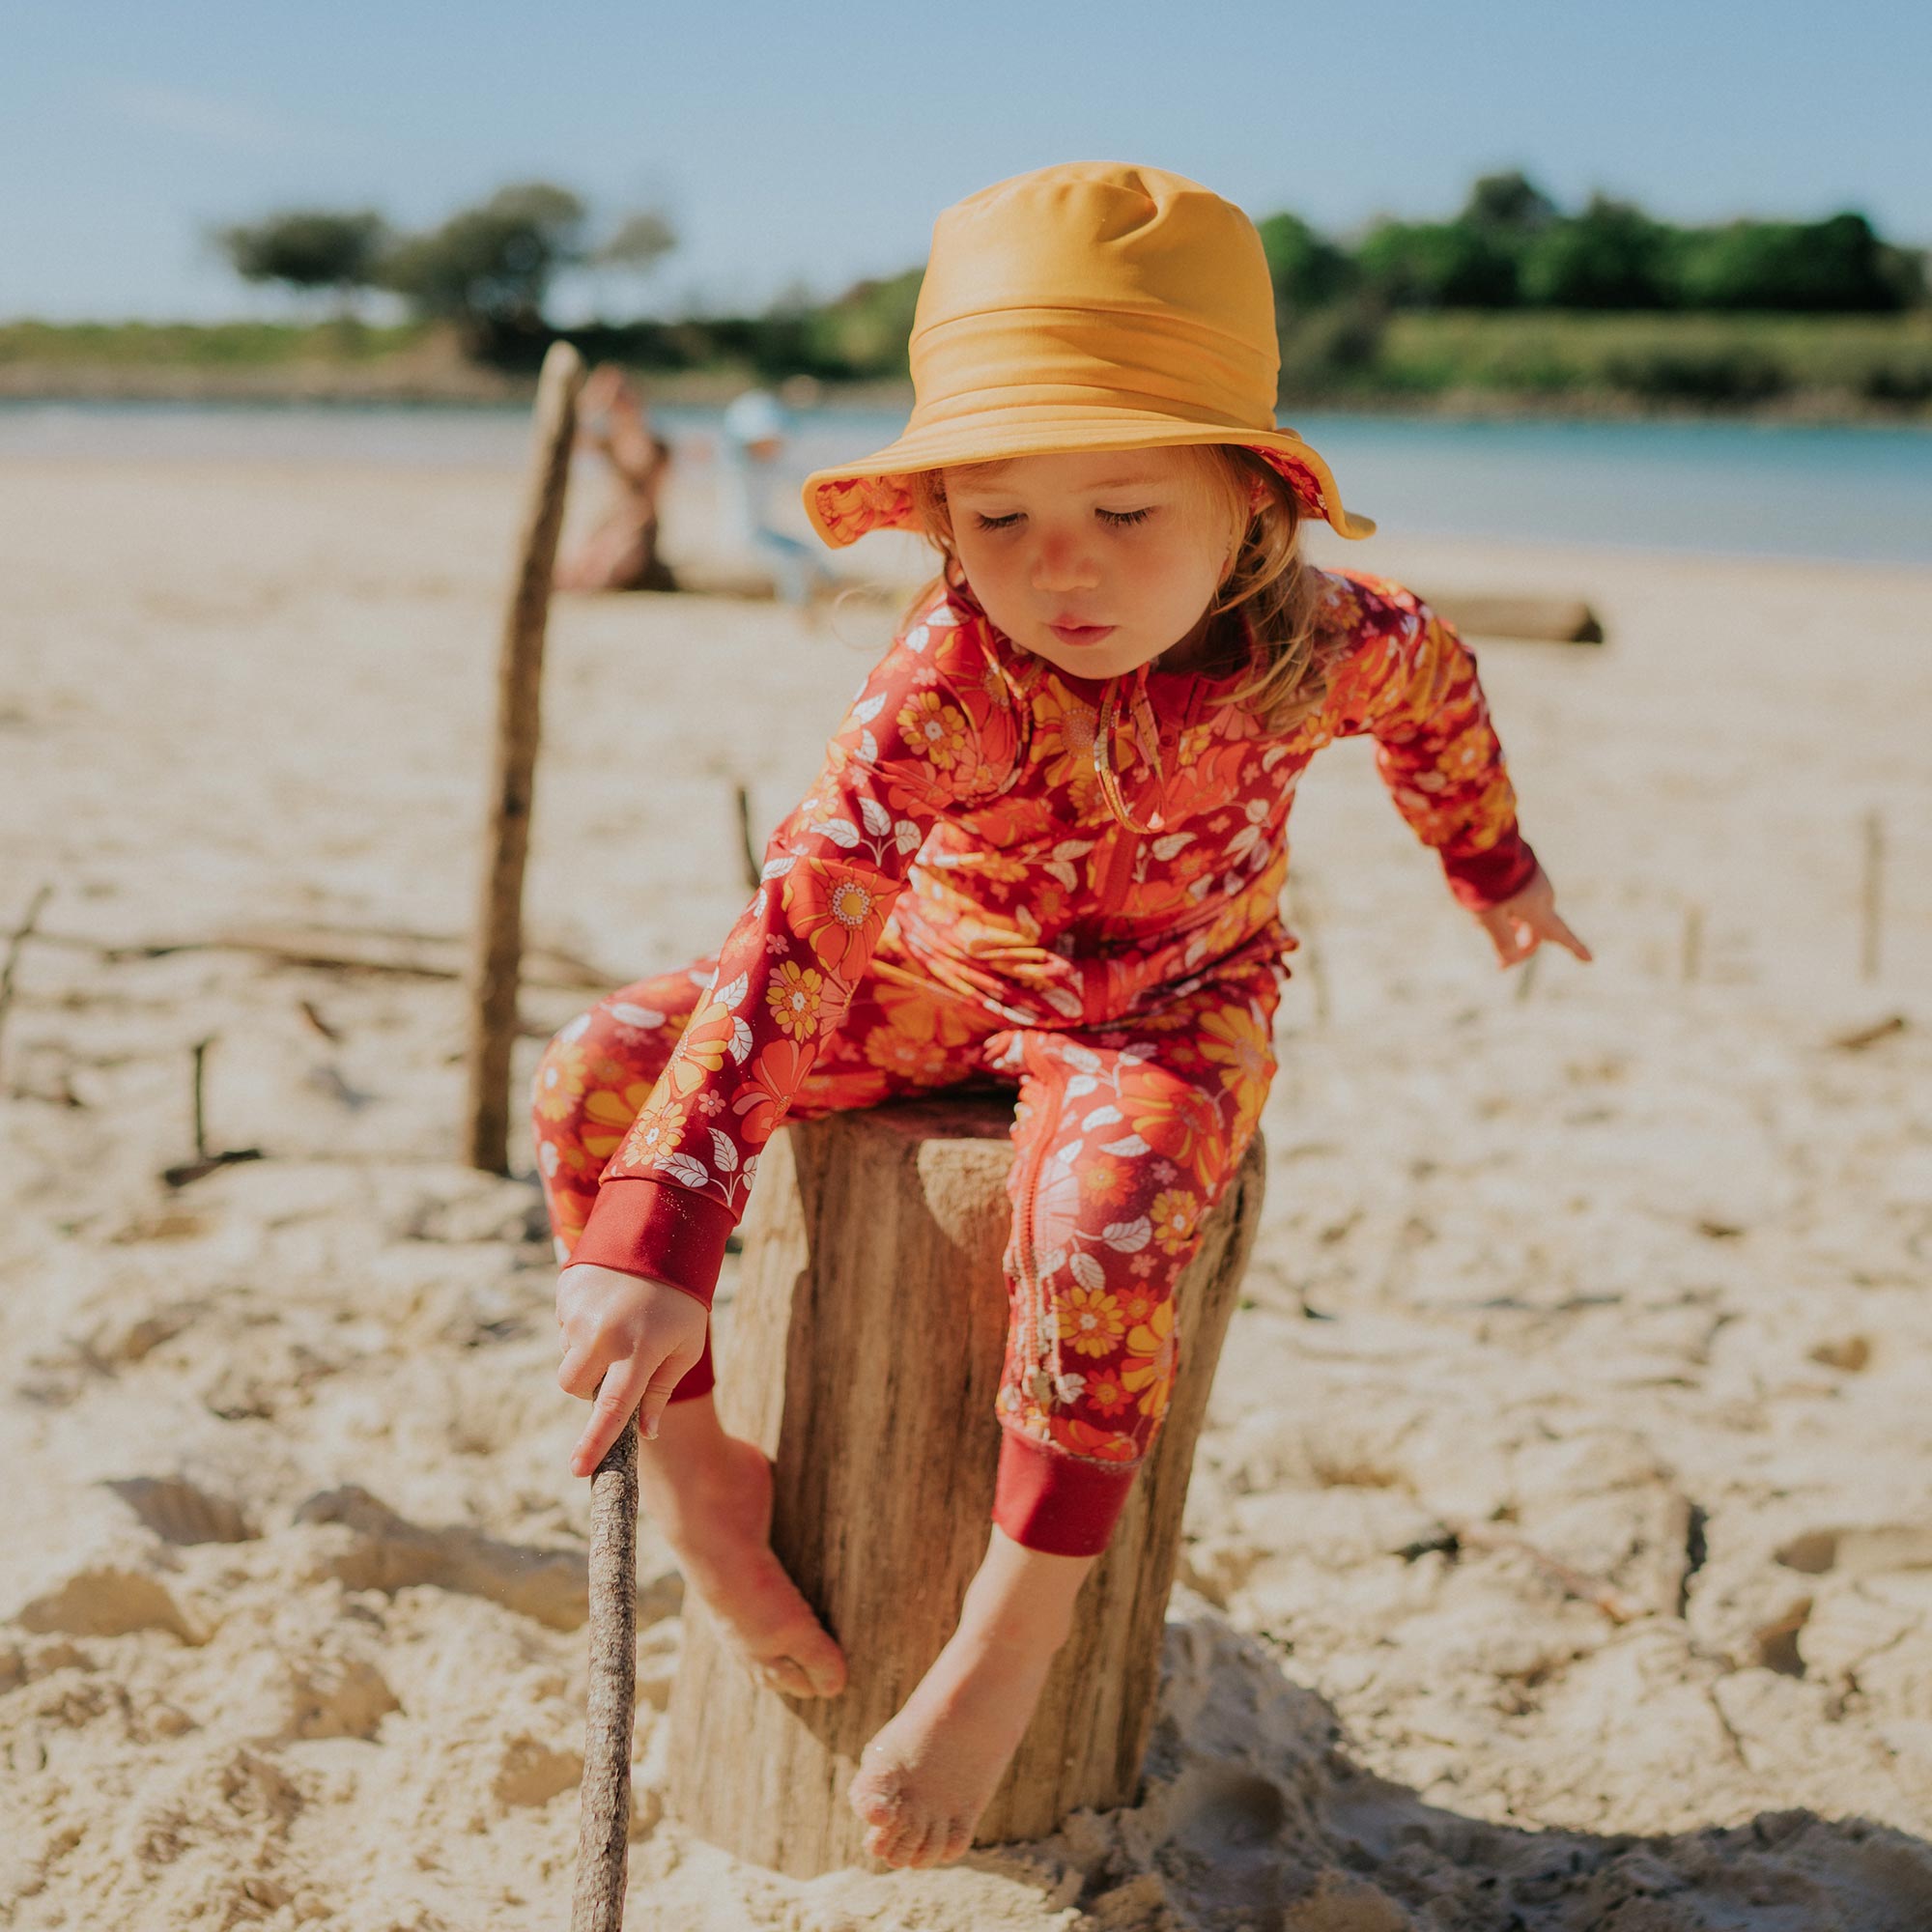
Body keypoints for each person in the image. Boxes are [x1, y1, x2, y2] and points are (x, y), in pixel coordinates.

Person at [537, 162, 1592, 1870]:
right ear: (941, 520)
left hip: (1172, 1011)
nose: (1063, 570)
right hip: (946, 976)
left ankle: (1008, 1638)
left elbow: (1447, 718)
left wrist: (1496, 870)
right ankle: (701, 1484)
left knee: (1104, 1220)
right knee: (607, 1068)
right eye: (1002, 517)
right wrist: (666, 1228)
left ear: (1256, 507)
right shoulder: (949, 676)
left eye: (1125, 511)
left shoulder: (1337, 646)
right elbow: (807, 913)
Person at [554, 363, 677, 593]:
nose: (617, 401)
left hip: (638, 529)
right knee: (566, 576)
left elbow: (640, 461)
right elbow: (565, 438)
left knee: (600, 578)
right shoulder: (610, 439)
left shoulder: (655, 444)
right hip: (609, 522)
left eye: (622, 394)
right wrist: (589, 404)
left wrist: (625, 410)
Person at [714, 387, 837, 607]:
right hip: (743, 537)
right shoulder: (740, 466)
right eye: (767, 440)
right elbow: (724, 452)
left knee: (810, 553)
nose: (774, 446)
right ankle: (798, 606)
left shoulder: (770, 465)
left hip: (763, 532)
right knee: (791, 563)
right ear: (748, 441)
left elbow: (800, 481)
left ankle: (834, 589)